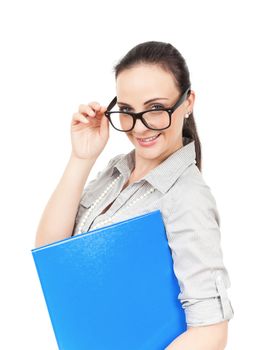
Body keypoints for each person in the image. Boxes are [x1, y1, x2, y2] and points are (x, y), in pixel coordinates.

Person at [35, 41, 234, 349]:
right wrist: (81, 158)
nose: (140, 127)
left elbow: (211, 332)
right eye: (127, 111)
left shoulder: (187, 197)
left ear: (188, 101)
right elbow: (51, 256)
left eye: (155, 109)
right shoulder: (118, 171)